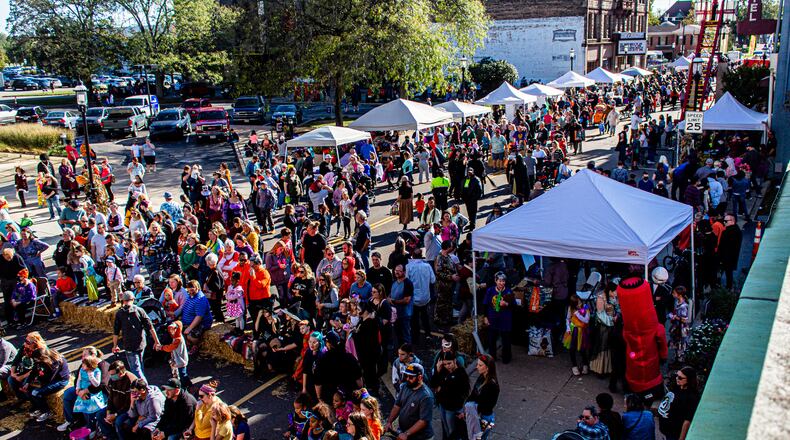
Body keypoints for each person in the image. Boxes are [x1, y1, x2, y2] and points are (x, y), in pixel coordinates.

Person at [113, 291, 162, 381]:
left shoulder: (119, 313)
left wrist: (115, 345)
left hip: (129, 345)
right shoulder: (140, 310)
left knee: (135, 369)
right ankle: (142, 382)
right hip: (141, 343)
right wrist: (156, 341)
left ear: (123, 301)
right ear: (133, 299)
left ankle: (143, 385)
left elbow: (116, 331)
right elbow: (150, 327)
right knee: (139, 365)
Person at [385, 363, 435, 440]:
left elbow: (423, 421)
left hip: (421, 437)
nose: (407, 379)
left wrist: (406, 433)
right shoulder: (405, 386)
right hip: (404, 432)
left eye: (411, 377)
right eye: (406, 375)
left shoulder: (426, 396)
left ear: (420, 377)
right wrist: (389, 422)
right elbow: (397, 405)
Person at [430, 351, 470, 440]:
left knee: (453, 431)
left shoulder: (460, 373)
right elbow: (433, 384)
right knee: (446, 429)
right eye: (445, 364)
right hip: (442, 405)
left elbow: (458, 392)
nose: (447, 366)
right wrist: (437, 370)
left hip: (453, 408)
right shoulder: (443, 370)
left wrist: (441, 388)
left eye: (449, 363)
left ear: (454, 361)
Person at [95, 360, 138, 438]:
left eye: (113, 375)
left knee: (118, 422)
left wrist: (115, 415)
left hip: (127, 410)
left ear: (121, 373)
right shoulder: (113, 380)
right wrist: (108, 412)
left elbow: (128, 405)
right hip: (116, 408)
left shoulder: (131, 382)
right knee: (99, 415)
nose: (111, 377)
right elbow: (110, 397)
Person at [463, 354, 499, 440]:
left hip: (485, 418)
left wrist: (471, 409)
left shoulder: (492, 385)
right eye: (477, 364)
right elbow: (473, 393)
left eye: (480, 365)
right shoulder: (482, 377)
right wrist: (466, 406)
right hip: (477, 414)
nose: (477, 367)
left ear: (487, 368)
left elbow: (487, 405)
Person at [658, 367, 700, 440]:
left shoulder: (692, 397)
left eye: (680, 378)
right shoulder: (676, 386)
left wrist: (681, 438)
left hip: (674, 434)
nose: (677, 378)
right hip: (665, 431)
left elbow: (687, 421)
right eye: (677, 376)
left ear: (689, 380)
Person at [483, 272, 514, 363]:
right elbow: (485, 304)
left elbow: (514, 306)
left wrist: (506, 304)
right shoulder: (490, 291)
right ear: (495, 281)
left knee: (506, 339)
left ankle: (506, 358)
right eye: (499, 281)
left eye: (503, 281)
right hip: (493, 318)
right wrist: (485, 317)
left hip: (505, 319)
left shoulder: (509, 291)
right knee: (492, 339)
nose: (501, 283)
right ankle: (492, 358)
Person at [406, 250, 435, 345]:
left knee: (414, 319)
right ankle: (428, 334)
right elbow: (433, 280)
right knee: (425, 316)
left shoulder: (408, 267)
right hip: (425, 297)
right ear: (421, 255)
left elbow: (406, 282)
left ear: (412, 255)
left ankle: (415, 338)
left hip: (414, 298)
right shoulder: (427, 266)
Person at [181, 280, 214, 353]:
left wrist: (189, 328)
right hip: (189, 322)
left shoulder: (200, 299)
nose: (190, 292)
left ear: (197, 288)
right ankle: (188, 344)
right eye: (189, 290)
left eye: (192, 290)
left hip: (202, 323)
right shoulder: (191, 296)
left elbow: (199, 317)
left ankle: (196, 346)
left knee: (190, 336)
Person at [564, 295, 591, 376]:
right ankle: (574, 366)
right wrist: (568, 328)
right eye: (577, 303)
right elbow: (568, 319)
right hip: (573, 330)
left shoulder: (585, 307)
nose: (579, 304)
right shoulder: (571, 308)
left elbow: (586, 320)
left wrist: (577, 314)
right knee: (572, 348)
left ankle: (585, 365)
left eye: (580, 302)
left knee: (582, 349)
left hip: (582, 331)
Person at [390, 264, 414, 345]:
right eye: (395, 270)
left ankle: (408, 351)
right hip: (395, 314)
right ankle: (401, 350)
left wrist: (393, 301)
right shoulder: (394, 282)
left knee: (406, 335)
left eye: (399, 271)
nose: (396, 272)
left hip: (405, 315)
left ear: (404, 272)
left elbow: (406, 300)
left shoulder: (408, 283)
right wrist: (388, 299)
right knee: (398, 335)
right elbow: (390, 295)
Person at [717, 214, 742, 289]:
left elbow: (723, 246)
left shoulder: (727, 232)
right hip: (732, 256)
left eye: (726, 221)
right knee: (729, 273)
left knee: (724, 272)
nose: (724, 222)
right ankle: (728, 287)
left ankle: (726, 287)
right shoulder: (737, 230)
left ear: (732, 221)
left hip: (726, 256)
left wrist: (720, 256)